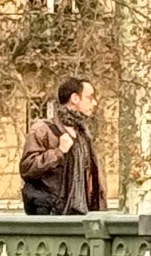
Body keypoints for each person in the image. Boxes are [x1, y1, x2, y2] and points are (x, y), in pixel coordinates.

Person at [20, 77, 106, 215]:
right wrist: (58, 152)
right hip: (52, 218)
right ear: (75, 98)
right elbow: (27, 168)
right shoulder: (43, 130)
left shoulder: (83, 135)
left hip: (82, 217)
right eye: (90, 97)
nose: (94, 103)